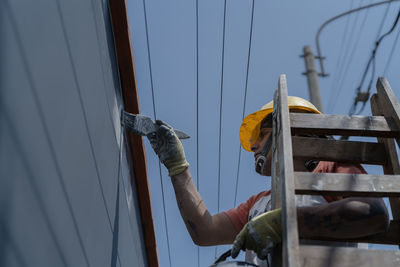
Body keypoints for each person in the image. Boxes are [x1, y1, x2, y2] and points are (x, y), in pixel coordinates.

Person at [147, 96, 389, 266]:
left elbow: (375, 213)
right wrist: (178, 168)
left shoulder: (332, 169)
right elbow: (206, 231)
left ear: (296, 130)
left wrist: (284, 222)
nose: (253, 146)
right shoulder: (259, 203)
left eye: (262, 135)